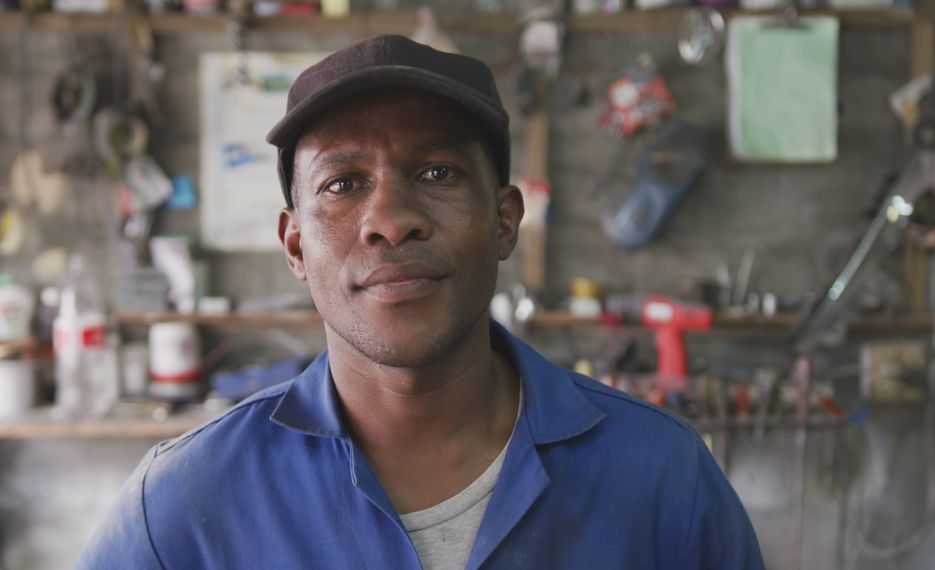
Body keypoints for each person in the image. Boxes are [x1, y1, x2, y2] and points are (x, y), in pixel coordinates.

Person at [77, 35, 764, 569]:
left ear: (504, 221)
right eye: (343, 184)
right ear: (295, 245)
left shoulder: (661, 477)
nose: (390, 219)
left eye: (438, 172)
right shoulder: (186, 503)